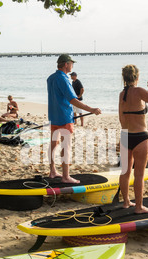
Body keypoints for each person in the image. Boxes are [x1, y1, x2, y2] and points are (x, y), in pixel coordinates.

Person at [47, 54, 102, 183]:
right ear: (66, 64)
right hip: (64, 117)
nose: (72, 65)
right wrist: (92, 109)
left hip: (53, 115)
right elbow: (73, 100)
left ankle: (53, 171)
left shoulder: (50, 78)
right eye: (72, 63)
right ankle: (66, 176)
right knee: (66, 146)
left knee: (53, 144)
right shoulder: (64, 79)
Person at [119, 64, 148, 214]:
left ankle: (126, 202)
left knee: (125, 172)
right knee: (139, 174)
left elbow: (121, 118)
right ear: (136, 77)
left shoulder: (122, 94)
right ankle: (138, 207)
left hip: (125, 136)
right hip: (140, 137)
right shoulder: (140, 91)